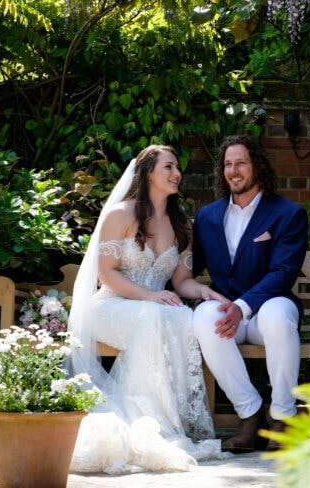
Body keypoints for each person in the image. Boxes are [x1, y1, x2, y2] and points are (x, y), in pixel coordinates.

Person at [67, 144, 228, 474]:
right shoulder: (120, 215)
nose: (176, 173)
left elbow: (182, 281)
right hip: (111, 306)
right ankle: (149, 419)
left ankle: (167, 422)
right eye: (168, 166)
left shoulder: (182, 225)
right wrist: (149, 296)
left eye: (177, 167)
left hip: (151, 309)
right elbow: (106, 275)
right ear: (147, 173)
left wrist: (205, 292)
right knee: (155, 314)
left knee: (184, 315)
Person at [192, 135, 308, 452]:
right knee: (203, 315)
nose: (234, 170)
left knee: (279, 314)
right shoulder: (207, 217)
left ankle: (284, 416)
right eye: (228, 164)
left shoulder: (287, 213)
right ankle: (251, 416)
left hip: (265, 310)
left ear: (256, 165)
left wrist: (243, 307)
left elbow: (283, 273)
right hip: (228, 316)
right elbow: (184, 267)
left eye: (241, 162)